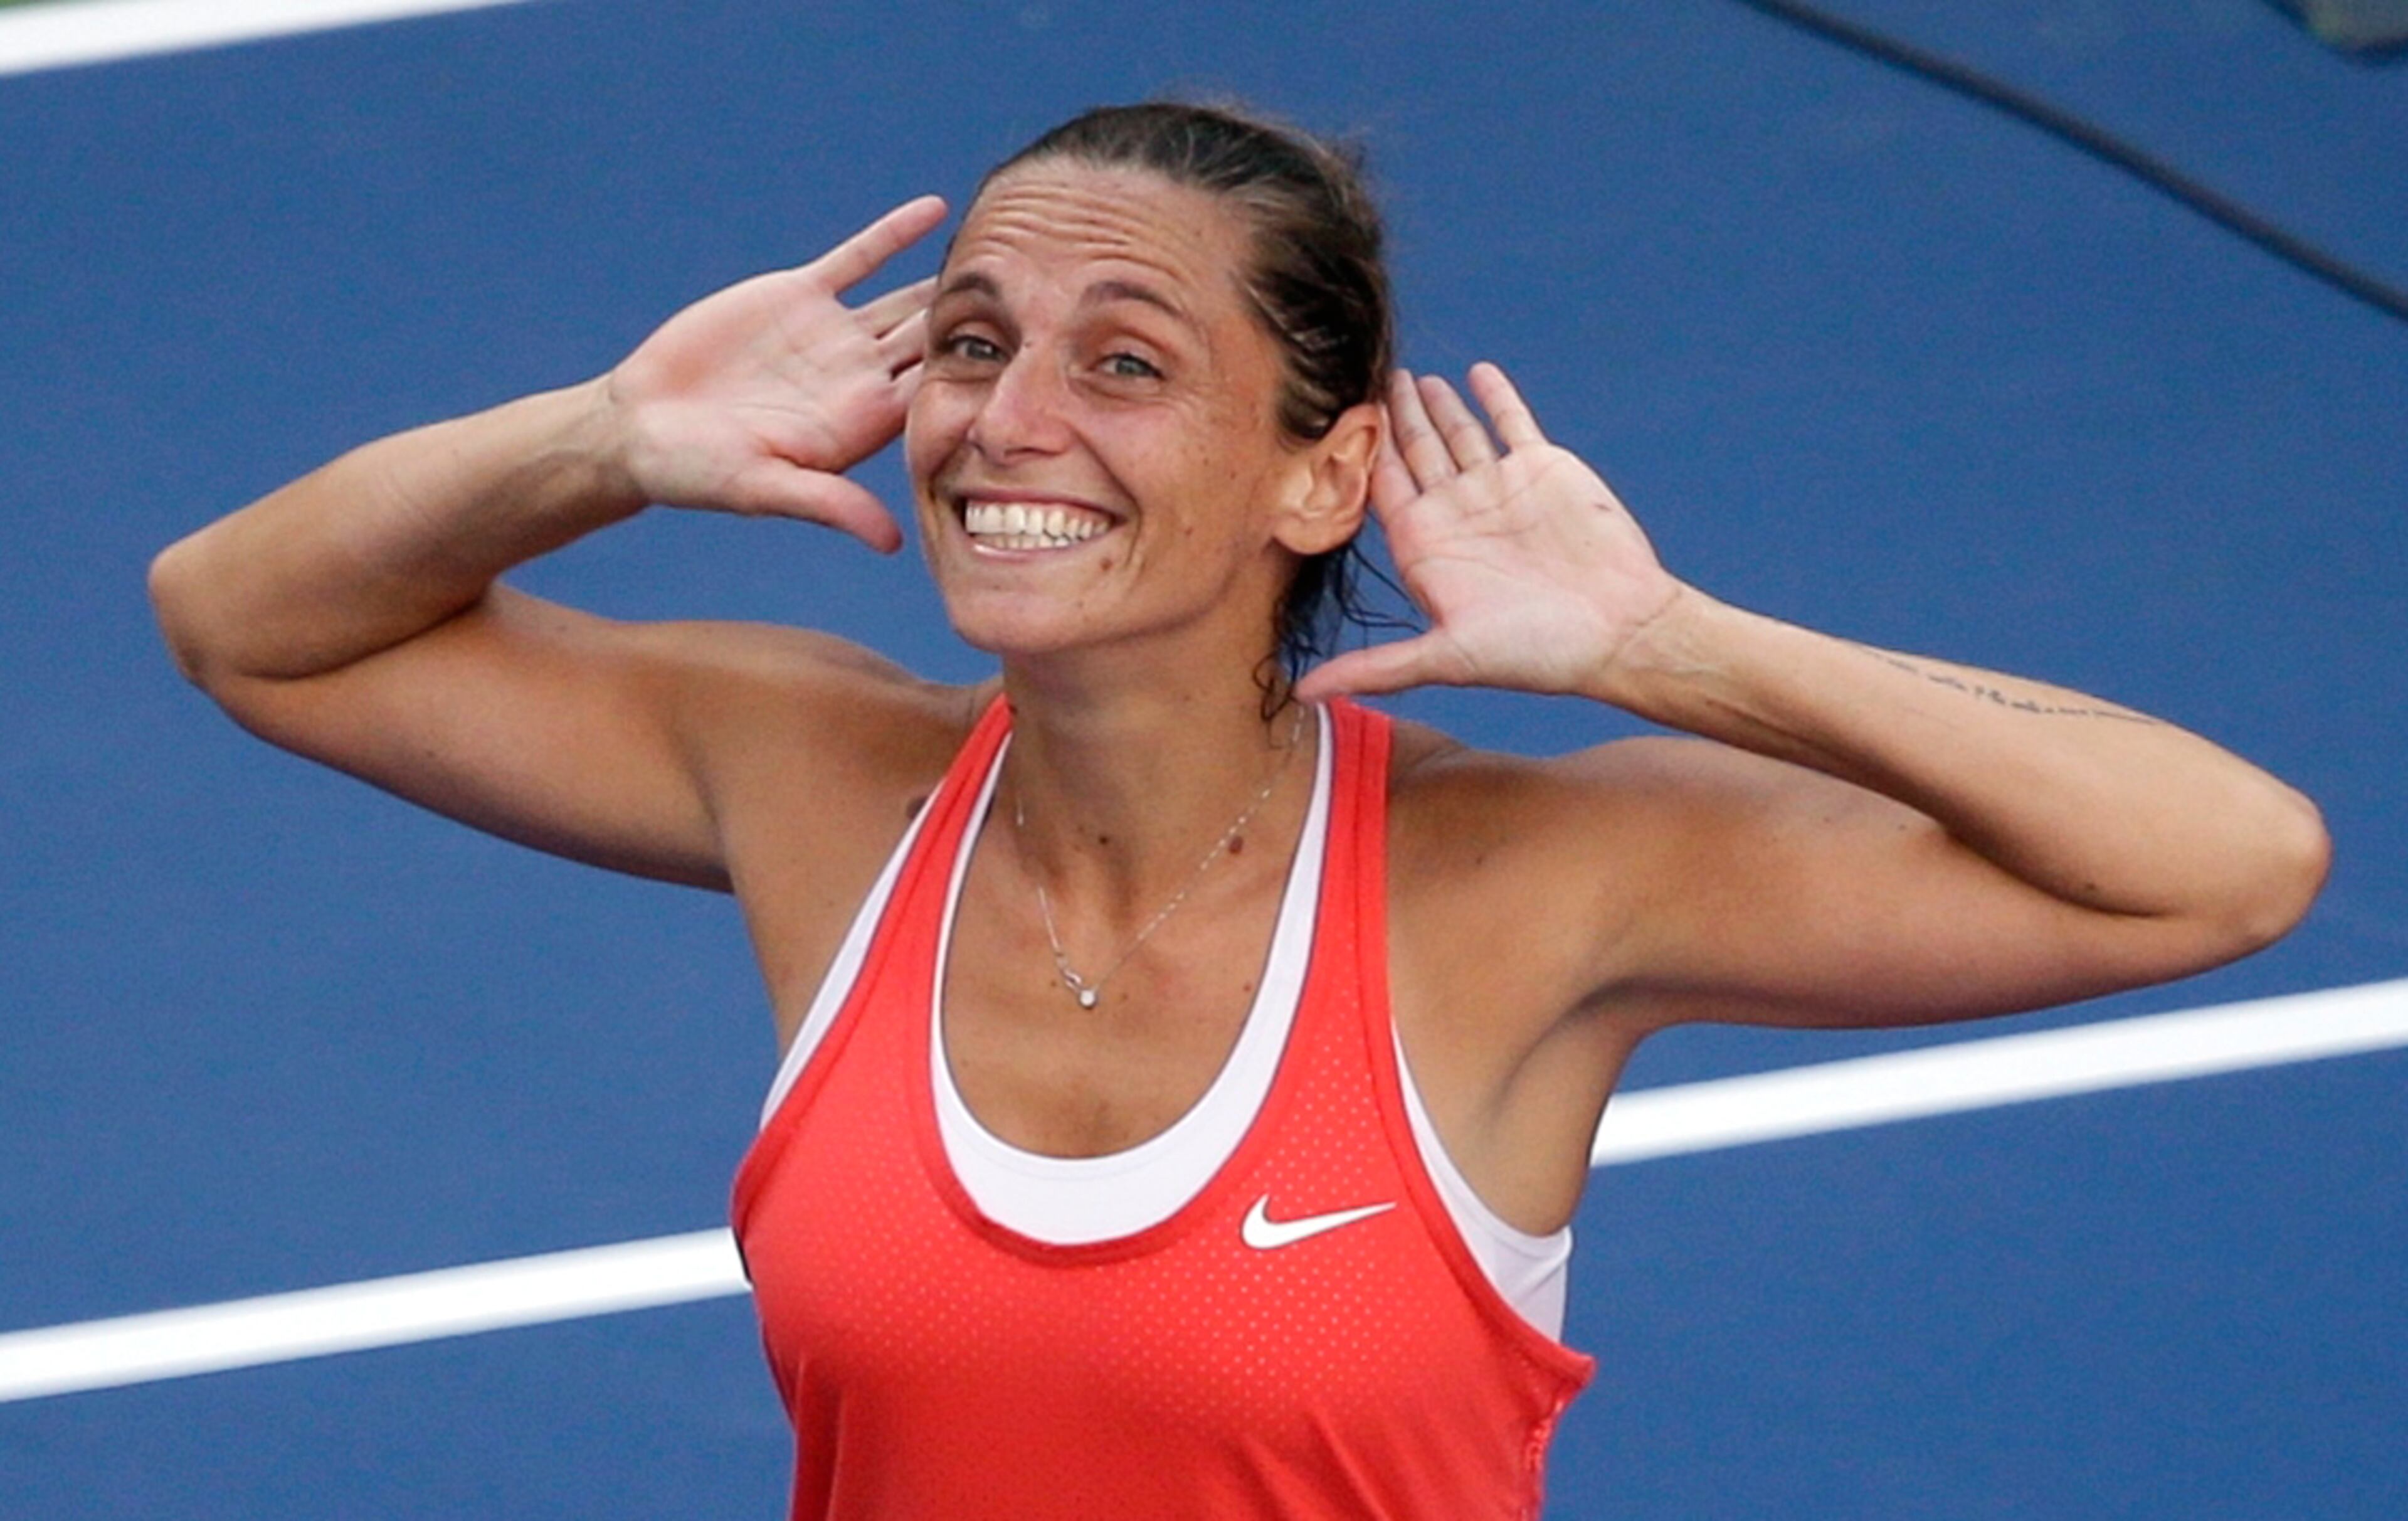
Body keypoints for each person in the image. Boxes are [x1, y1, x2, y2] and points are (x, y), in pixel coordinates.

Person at [149, 102, 2328, 1519]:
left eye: (1124, 362)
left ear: (1322, 473)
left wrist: (1670, 645)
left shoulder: (1526, 884)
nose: (1007, 418)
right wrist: (610, 433)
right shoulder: (819, 778)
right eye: (974, 339)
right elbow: (247, 620)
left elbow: (2226, 860)